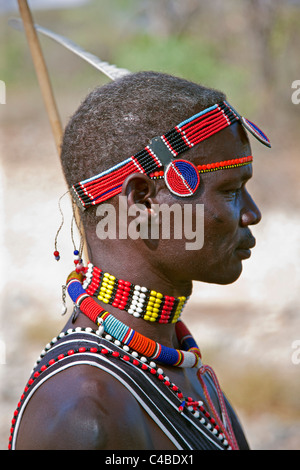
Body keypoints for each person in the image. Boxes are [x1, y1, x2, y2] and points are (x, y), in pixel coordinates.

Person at [9, 71, 270, 451]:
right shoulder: (85, 414)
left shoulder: (185, 370)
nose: (252, 213)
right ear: (143, 200)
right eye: (230, 192)